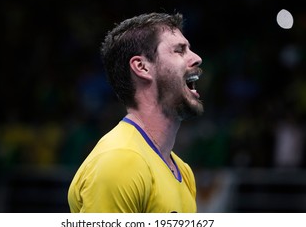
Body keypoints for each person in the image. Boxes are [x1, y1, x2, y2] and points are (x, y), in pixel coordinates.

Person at [68, 12, 204, 213]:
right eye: (179, 50)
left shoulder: (183, 171)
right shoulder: (120, 161)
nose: (197, 58)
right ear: (142, 67)